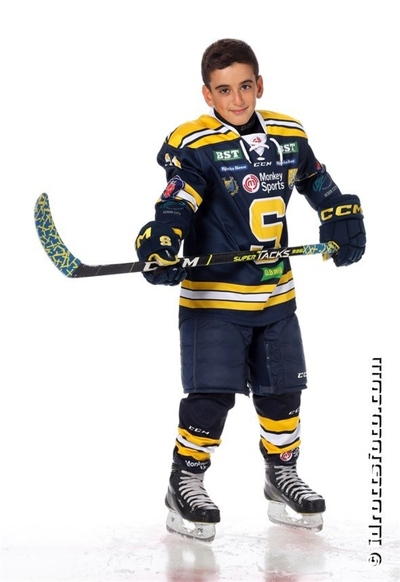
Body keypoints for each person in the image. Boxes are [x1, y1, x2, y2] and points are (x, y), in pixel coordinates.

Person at [135, 38, 366, 541]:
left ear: (259, 84)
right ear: (207, 94)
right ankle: (184, 481)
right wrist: (165, 236)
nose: (236, 99)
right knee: (211, 395)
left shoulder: (288, 134)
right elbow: (179, 197)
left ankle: (281, 475)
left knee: (282, 391)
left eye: (244, 86)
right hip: (214, 301)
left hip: (275, 295)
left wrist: (338, 212)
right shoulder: (194, 143)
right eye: (224, 90)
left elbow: (316, 180)